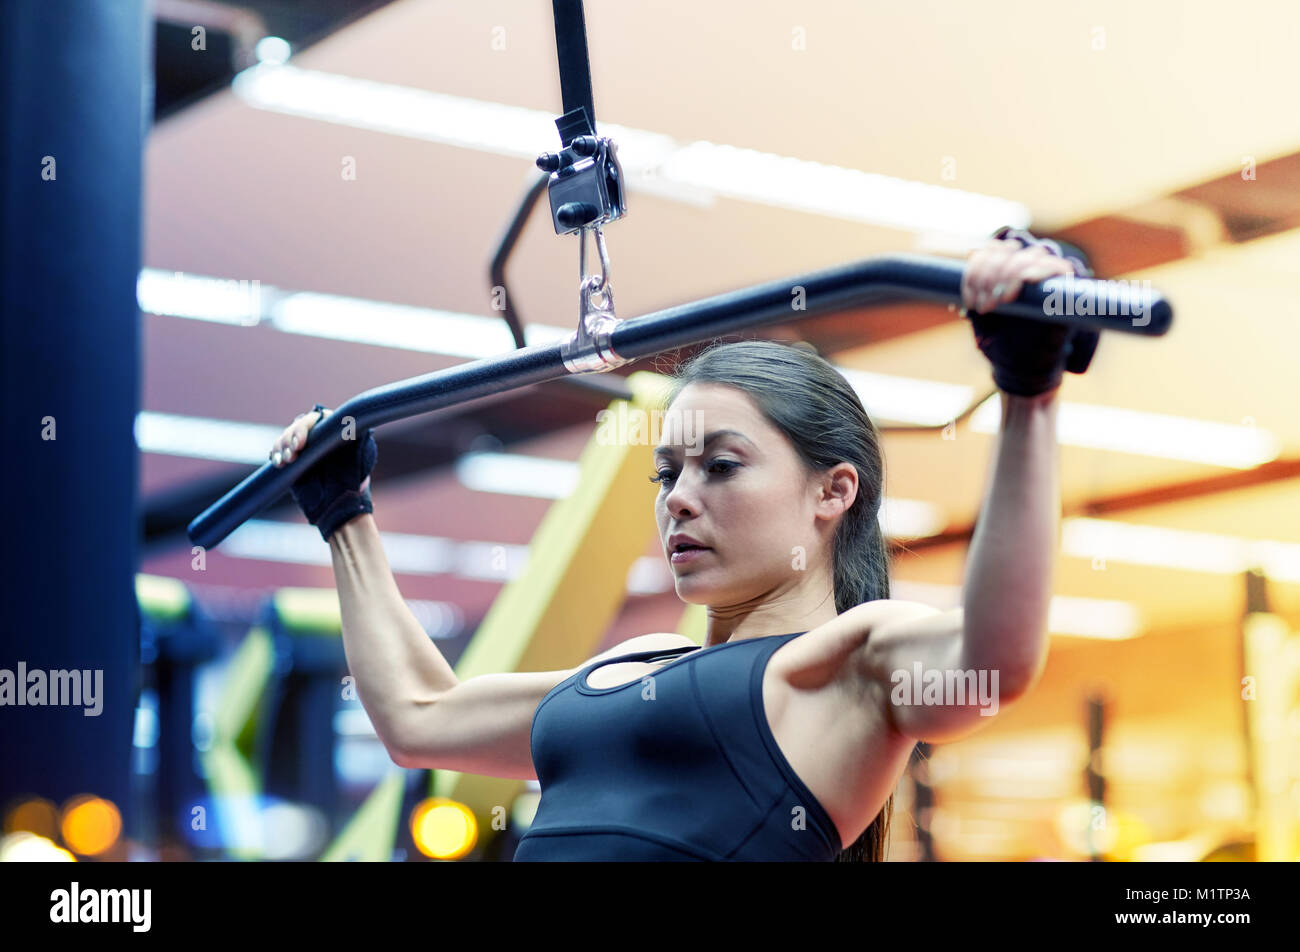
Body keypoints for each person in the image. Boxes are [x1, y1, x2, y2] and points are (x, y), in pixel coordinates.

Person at [268, 229, 1097, 861]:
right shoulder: (632, 667)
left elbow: (998, 654)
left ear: (832, 492)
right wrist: (343, 511)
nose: (680, 500)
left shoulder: (843, 666)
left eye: (721, 466)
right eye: (666, 475)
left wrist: (1029, 389)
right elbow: (418, 719)